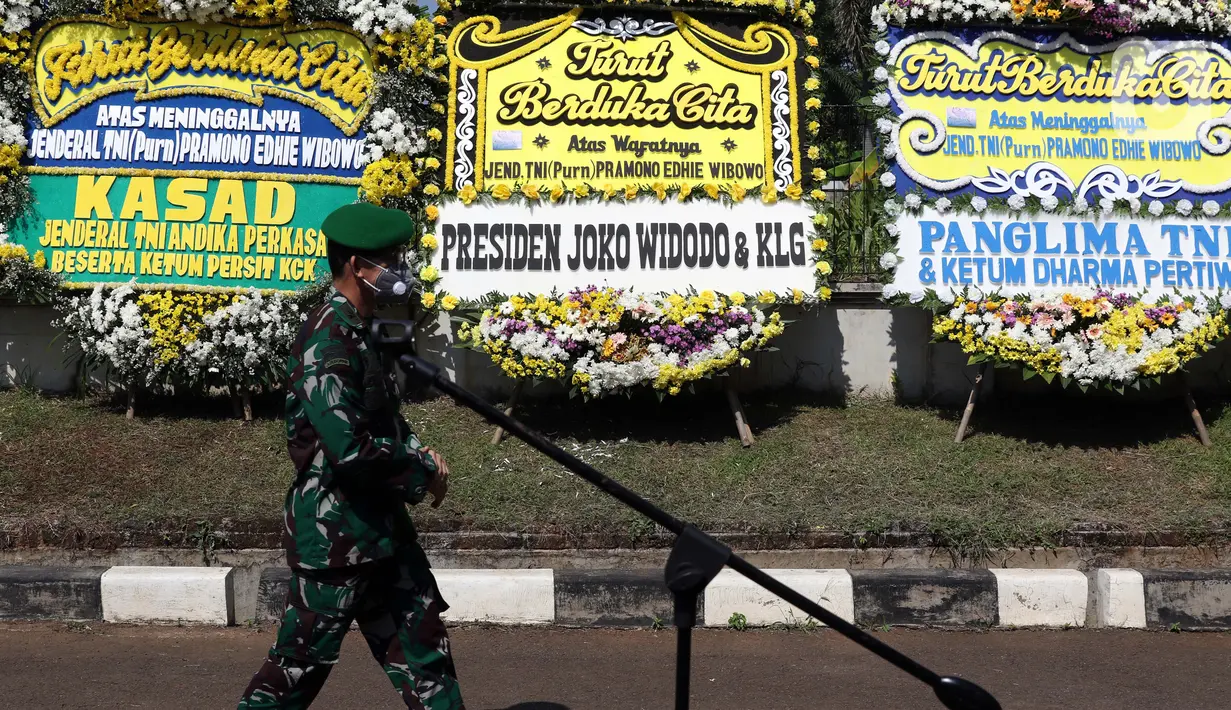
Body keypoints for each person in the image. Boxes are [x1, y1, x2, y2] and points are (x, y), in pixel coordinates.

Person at [238, 203, 464, 709]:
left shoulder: (362, 329)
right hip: (336, 535)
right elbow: (350, 449)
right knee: (297, 669)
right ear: (360, 267)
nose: (401, 269)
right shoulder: (329, 339)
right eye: (391, 259)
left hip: (382, 531)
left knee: (424, 650)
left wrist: (413, 448)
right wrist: (422, 471)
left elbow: (378, 419)